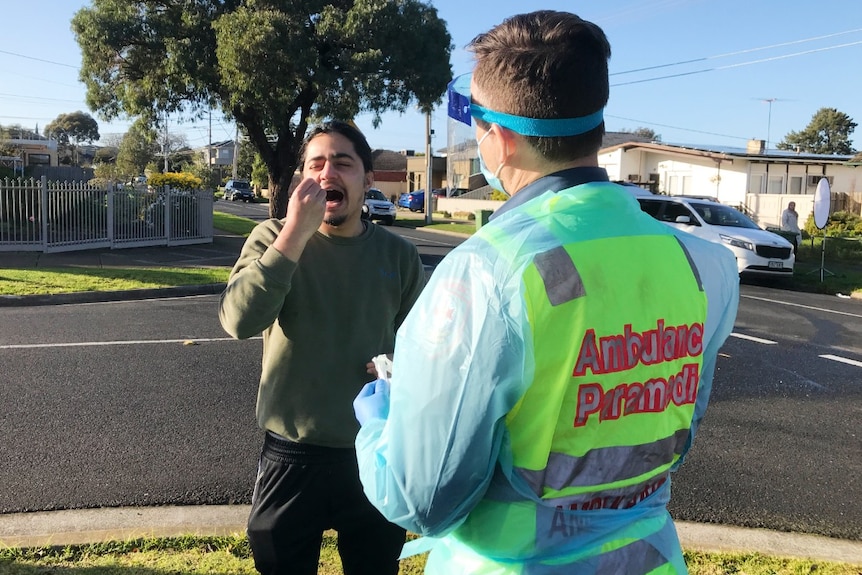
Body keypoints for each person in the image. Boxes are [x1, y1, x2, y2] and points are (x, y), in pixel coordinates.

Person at [353, 11, 740, 575]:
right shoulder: (704, 264)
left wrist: (381, 412)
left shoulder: (485, 271)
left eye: (478, 126)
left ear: (499, 139)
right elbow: (671, 430)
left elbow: (420, 501)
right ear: (598, 128)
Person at [219, 120, 426, 575]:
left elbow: (420, 348)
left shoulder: (398, 256)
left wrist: (399, 369)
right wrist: (294, 234)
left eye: (343, 163)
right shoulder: (273, 237)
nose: (327, 173)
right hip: (291, 452)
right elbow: (238, 321)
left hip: (372, 448)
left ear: (368, 180)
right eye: (316, 164)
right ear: (302, 179)